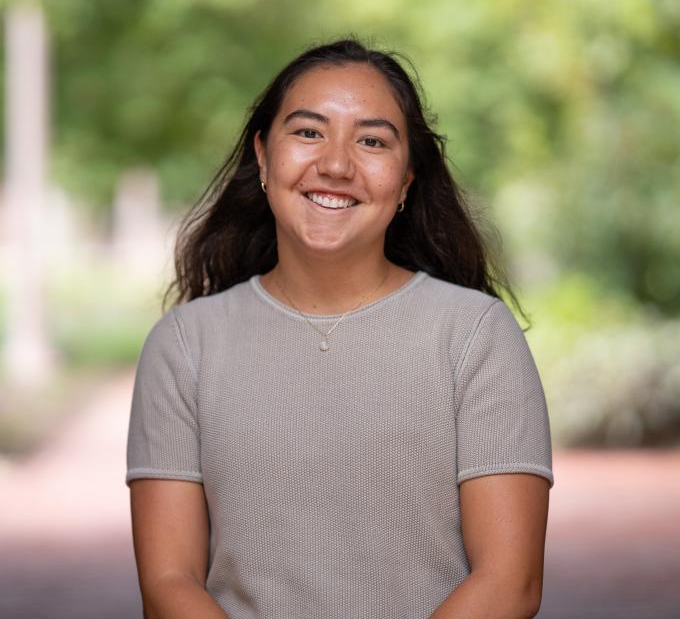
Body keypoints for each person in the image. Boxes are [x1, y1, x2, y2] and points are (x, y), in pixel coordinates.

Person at [126, 38, 554, 619]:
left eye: (372, 141)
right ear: (262, 154)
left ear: (405, 181)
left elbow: (510, 583)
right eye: (308, 132)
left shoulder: (476, 336)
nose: (335, 163)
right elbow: (169, 584)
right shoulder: (184, 346)